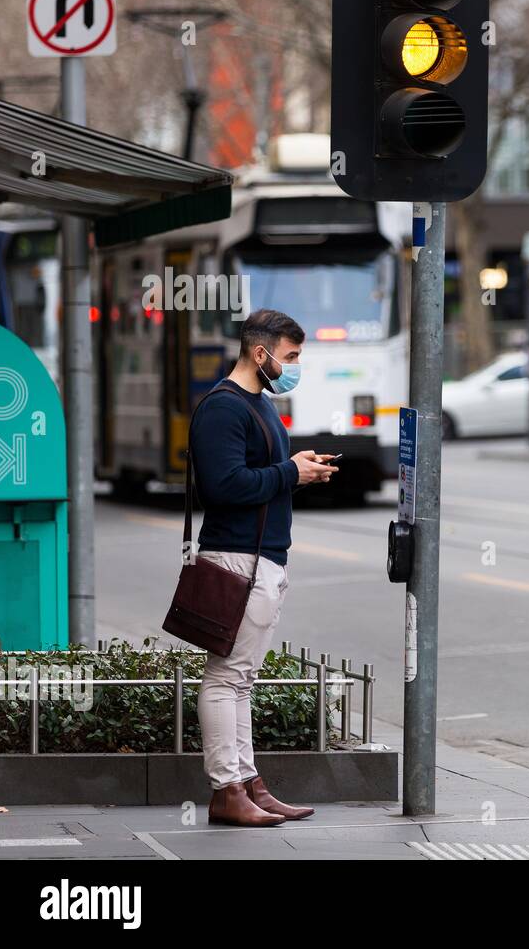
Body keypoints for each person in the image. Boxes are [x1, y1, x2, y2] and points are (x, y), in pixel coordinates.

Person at [189, 308, 338, 827]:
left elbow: (263, 473)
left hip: (264, 558)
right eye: (291, 356)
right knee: (226, 678)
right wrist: (288, 472)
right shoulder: (223, 408)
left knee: (242, 680)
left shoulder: (260, 405)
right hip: (237, 558)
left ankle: (248, 784)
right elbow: (223, 487)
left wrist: (300, 471)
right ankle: (226, 790)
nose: (295, 366)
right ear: (261, 354)